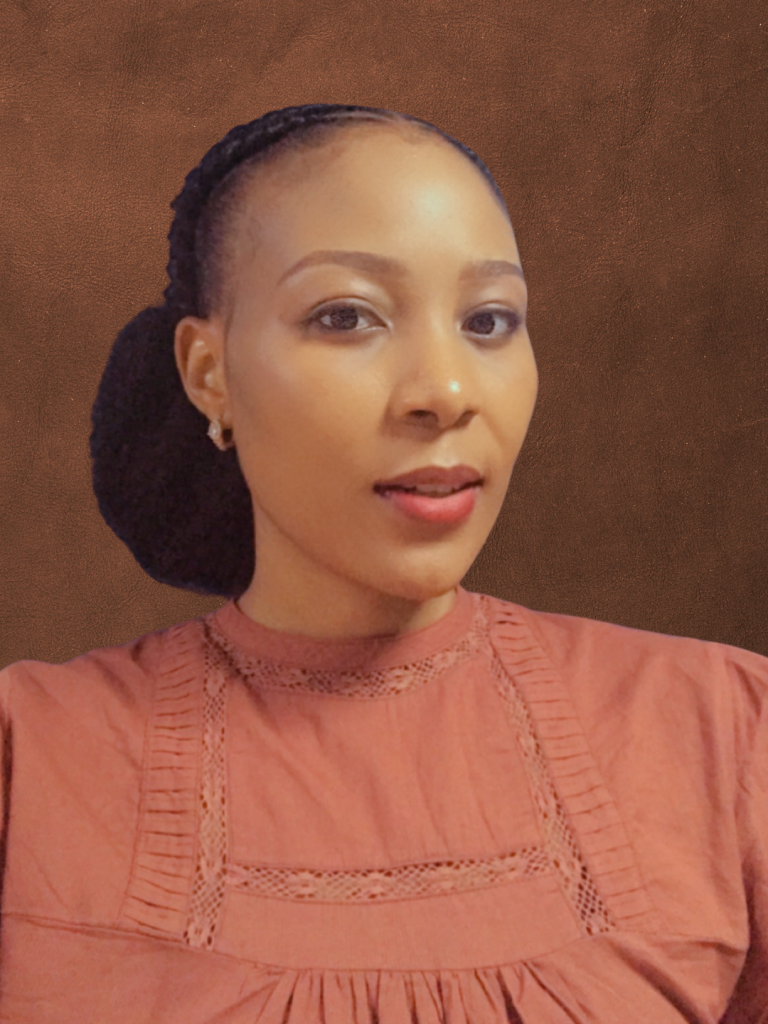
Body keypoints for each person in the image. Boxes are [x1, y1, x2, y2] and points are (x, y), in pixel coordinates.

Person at [0, 103, 765, 1024]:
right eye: (347, 316)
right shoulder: (28, 762)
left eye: (489, 320)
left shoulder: (727, 733)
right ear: (209, 373)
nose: (445, 391)